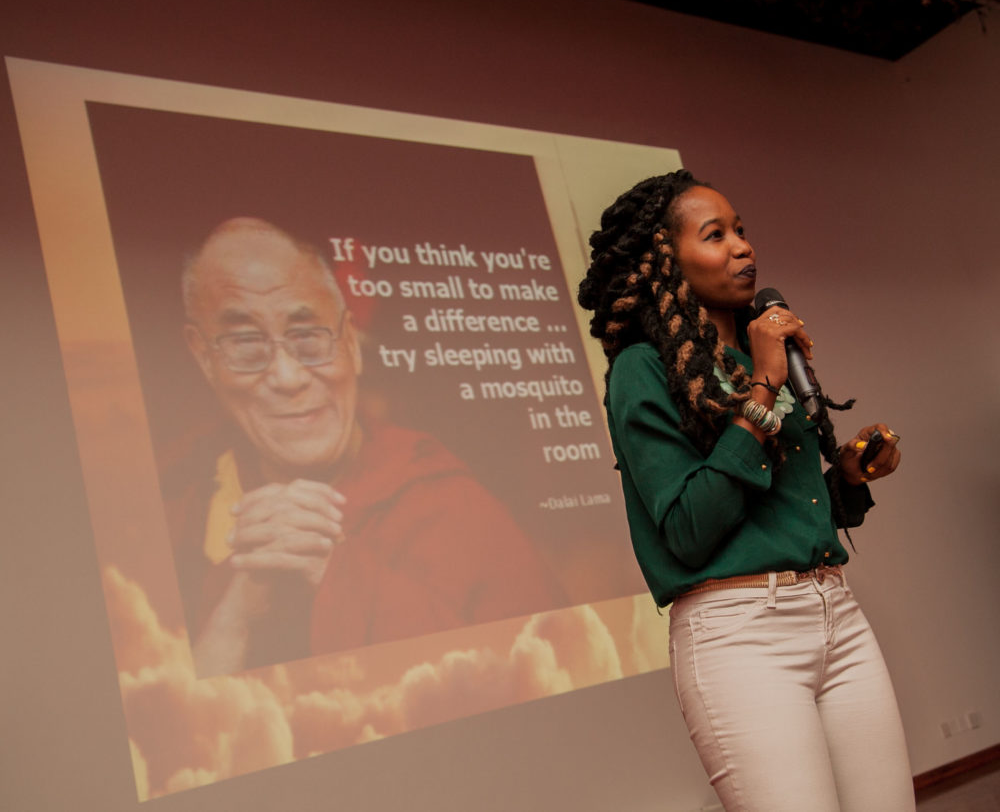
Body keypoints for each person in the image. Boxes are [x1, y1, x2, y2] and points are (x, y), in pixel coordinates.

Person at [577, 171, 914, 812]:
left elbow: (780, 514)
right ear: (664, 260)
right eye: (715, 235)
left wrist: (845, 476)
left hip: (836, 616)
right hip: (739, 636)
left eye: (741, 230)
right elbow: (689, 528)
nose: (742, 247)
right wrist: (762, 384)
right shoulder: (643, 370)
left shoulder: (760, 355)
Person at [170, 217, 563, 675]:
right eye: (244, 343)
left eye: (308, 337)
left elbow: (548, 672)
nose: (287, 377)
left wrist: (336, 575)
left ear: (352, 344)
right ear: (203, 357)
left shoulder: (446, 502)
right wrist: (234, 619)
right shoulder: (179, 500)